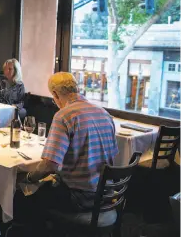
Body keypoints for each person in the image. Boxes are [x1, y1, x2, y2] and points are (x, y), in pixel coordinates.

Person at [13, 72, 118, 236]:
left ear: (55, 94)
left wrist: (28, 179)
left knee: (24, 196)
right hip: (107, 194)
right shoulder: (104, 113)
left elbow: (50, 164)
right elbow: (112, 156)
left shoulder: (64, 115)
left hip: (80, 198)